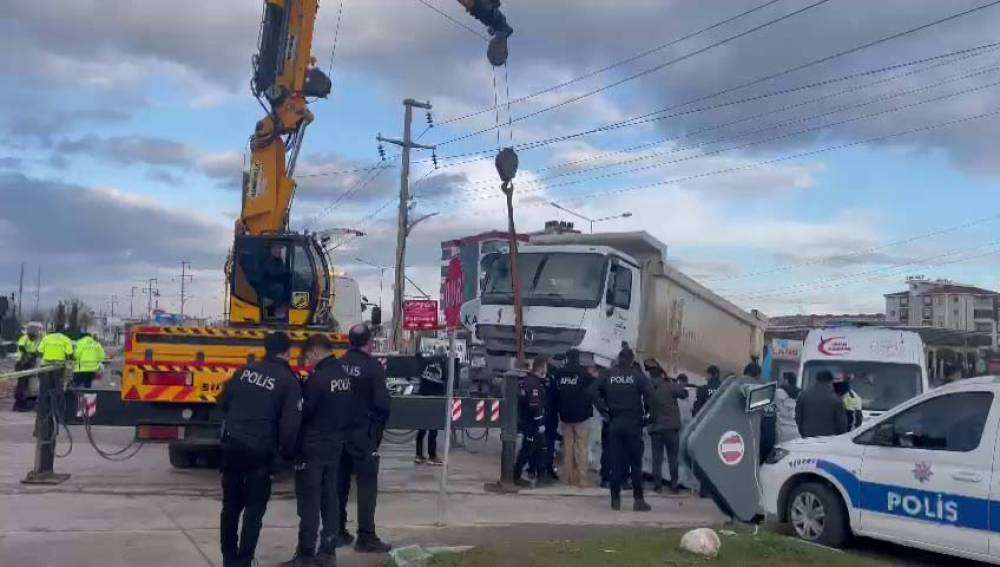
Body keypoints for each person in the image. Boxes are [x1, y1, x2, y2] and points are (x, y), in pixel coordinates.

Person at [218, 332, 302, 567]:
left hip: (232, 446)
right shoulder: (288, 381)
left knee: (231, 506)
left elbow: (222, 402)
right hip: (260, 452)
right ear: (288, 352)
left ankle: (228, 558)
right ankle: (244, 560)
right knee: (254, 510)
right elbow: (289, 427)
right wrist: (287, 457)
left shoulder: (245, 371)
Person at [332, 323, 392, 554]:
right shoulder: (373, 368)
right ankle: (366, 537)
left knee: (338, 485)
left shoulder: (337, 365)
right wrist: (375, 436)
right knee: (366, 486)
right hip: (362, 435)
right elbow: (383, 405)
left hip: (338, 435)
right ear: (369, 342)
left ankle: (337, 531)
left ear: (349, 341)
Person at [589, 347, 655, 512]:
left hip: (614, 422)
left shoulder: (608, 375)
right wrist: (646, 414)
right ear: (632, 360)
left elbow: (592, 391)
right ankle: (638, 500)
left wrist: (604, 410)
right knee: (636, 464)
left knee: (615, 462)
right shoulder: (637, 376)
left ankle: (615, 500)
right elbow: (651, 396)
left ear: (619, 359)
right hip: (633, 423)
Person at [551, 349, 594, 487]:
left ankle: (566, 479)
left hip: (565, 416)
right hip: (582, 416)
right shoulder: (583, 373)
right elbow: (594, 387)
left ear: (567, 358)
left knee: (568, 448)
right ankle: (582, 479)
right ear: (578, 358)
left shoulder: (560, 373)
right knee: (582, 448)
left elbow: (555, 392)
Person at [646, 359, 688, 494]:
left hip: (655, 428)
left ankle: (657, 486)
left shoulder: (648, 387)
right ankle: (674, 485)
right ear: (661, 374)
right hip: (671, 428)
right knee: (672, 458)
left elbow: (646, 406)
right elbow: (684, 393)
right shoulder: (669, 385)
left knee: (656, 459)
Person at [514, 356, 550, 487]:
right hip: (532, 424)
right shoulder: (533, 383)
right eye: (545, 367)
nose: (546, 370)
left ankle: (540, 476)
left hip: (528, 422)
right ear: (540, 368)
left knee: (540, 449)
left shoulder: (529, 381)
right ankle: (516, 475)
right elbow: (535, 405)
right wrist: (540, 423)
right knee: (527, 450)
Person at [795, 370, 849, 438]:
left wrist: (803, 432)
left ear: (816, 379)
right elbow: (841, 423)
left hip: (807, 437)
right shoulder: (835, 398)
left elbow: (798, 417)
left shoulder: (804, 395)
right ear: (830, 381)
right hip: (828, 438)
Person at [415, 353, 444, 465]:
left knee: (422, 429)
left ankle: (419, 455)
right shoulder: (441, 366)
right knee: (433, 429)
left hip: (423, 398)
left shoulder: (425, 364)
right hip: (434, 400)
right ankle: (432, 456)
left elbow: (417, 357)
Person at [12, 324, 42, 412]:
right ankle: (18, 404)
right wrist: (27, 355)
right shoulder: (24, 338)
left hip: (30, 363)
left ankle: (26, 402)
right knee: (22, 384)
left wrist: (34, 356)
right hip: (22, 363)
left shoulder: (37, 340)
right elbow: (21, 347)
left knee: (29, 384)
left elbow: (37, 351)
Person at [261, 242, 291, 319]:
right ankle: (277, 310)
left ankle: (286, 307)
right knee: (279, 288)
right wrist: (285, 275)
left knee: (290, 285)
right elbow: (273, 274)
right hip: (267, 288)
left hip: (274, 284)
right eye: (277, 248)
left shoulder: (279, 261)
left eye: (280, 249)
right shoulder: (268, 261)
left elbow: (282, 272)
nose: (279, 251)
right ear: (271, 249)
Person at [774, 372, 800, 444]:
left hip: (782, 430)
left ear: (786, 380)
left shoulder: (778, 392)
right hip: (797, 430)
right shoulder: (800, 393)